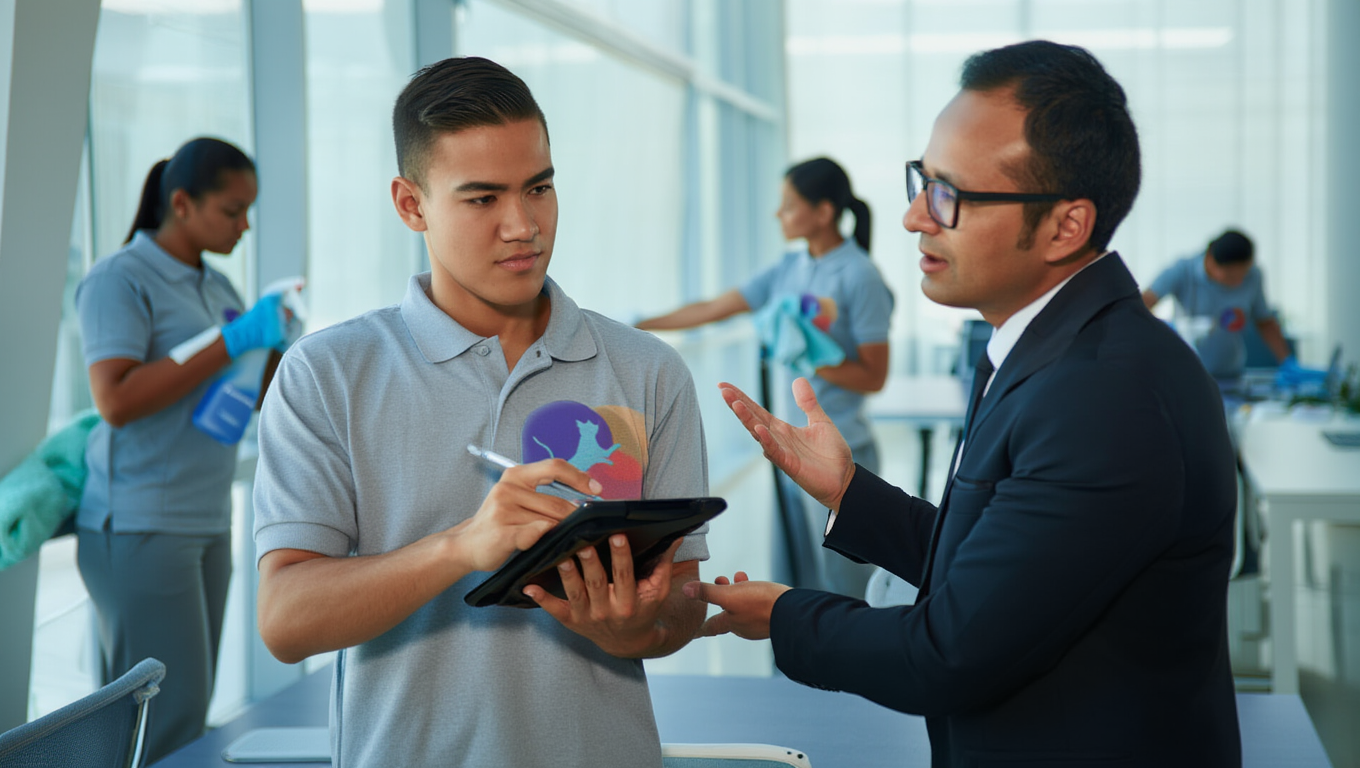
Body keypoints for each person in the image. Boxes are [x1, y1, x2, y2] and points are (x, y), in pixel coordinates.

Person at [685, 40, 1242, 766]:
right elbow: (997, 568)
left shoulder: (1109, 396)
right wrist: (850, 493)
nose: (916, 217)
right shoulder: (1043, 346)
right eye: (921, 180)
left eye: (950, 194)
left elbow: (946, 650)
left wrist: (784, 614)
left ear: (1065, 225)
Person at [251, 57, 709, 768]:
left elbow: (681, 601)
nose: (522, 225)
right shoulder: (327, 376)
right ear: (410, 205)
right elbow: (285, 620)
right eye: (482, 198)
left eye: (539, 188)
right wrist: (461, 547)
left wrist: (633, 628)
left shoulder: (649, 372)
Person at [74, 137, 288, 763]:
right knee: (157, 724)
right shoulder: (119, 280)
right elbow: (115, 398)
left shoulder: (216, 283)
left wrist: (279, 346)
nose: (244, 225)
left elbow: (252, 391)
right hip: (140, 522)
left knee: (187, 712)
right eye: (232, 210)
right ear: (182, 203)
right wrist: (231, 340)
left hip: (202, 517)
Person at [636, 157, 893, 598]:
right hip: (790, 449)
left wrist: (809, 355)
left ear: (824, 212)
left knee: (846, 585)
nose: (779, 214)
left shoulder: (859, 276)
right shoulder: (788, 269)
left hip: (842, 452)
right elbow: (714, 308)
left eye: (789, 205)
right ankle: (806, 667)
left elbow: (874, 376)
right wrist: (634, 324)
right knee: (800, 574)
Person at [1142, 228, 1292, 381]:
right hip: (1187, 374)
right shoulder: (1182, 271)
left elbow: (1264, 321)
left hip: (1230, 373)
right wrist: (1163, 330)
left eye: (1243, 274)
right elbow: (1143, 305)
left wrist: (1286, 361)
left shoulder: (1254, 275)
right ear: (1211, 261)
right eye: (1231, 276)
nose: (1239, 282)